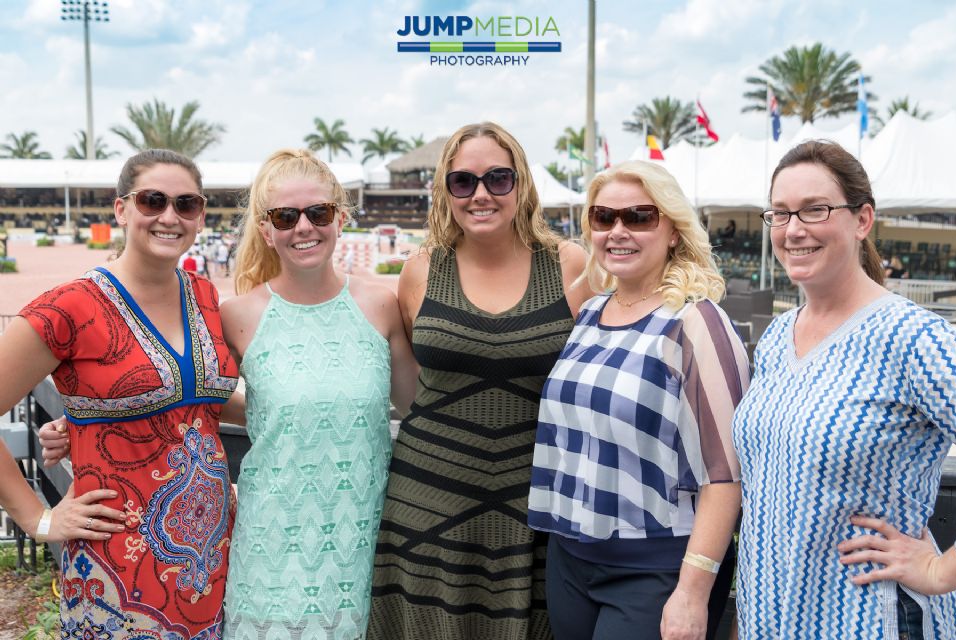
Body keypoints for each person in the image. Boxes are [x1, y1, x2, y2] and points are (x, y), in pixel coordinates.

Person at [368, 122, 591, 639]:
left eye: (498, 178)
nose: (481, 194)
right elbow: (416, 383)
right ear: (445, 191)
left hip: (533, 505)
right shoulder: (422, 268)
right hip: (426, 503)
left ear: (522, 183)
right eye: (463, 181)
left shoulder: (569, 265)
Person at [8, 149, 241, 637]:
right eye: (153, 200)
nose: (170, 216)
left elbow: (197, 400)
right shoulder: (70, 308)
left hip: (210, 558)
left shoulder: (204, 296)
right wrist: (37, 519)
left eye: (186, 204)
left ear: (200, 215)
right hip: (117, 570)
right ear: (122, 209)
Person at [733, 141, 956, 638]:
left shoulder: (913, 338)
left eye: (815, 209)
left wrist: (940, 570)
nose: (794, 229)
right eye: (780, 213)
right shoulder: (778, 336)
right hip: (771, 618)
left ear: (862, 220)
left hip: (868, 619)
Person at [528, 160, 749, 640]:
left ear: (673, 231)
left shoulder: (696, 322)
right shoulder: (589, 313)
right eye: (603, 217)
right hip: (570, 560)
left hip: (657, 568)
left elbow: (726, 475)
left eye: (639, 216)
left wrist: (692, 592)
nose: (618, 231)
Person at [219, 149, 417, 639]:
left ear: (340, 218)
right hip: (270, 554)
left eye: (318, 212)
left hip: (364, 546)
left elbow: (420, 407)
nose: (303, 227)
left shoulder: (380, 305)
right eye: (286, 216)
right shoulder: (237, 316)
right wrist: (73, 422)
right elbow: (189, 398)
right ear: (266, 229)